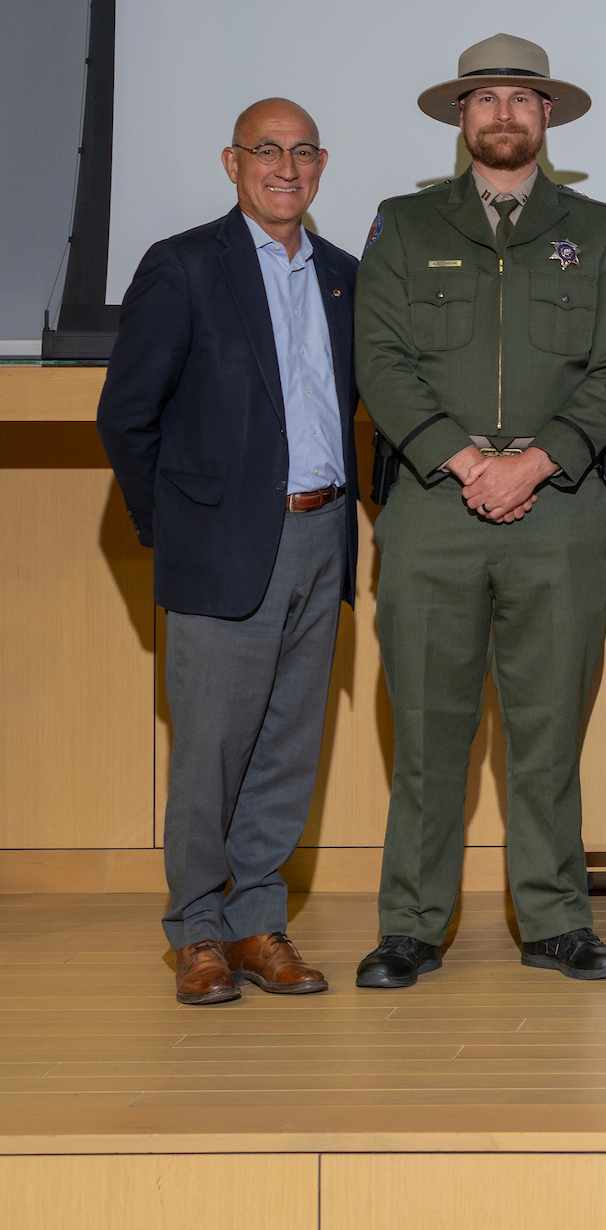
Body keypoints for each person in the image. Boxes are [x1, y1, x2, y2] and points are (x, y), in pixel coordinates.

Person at [351, 33, 606, 989]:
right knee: (430, 731)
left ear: (546, 117)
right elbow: (381, 364)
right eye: (487, 99)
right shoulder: (403, 224)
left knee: (548, 729)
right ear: (459, 116)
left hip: (558, 513)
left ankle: (555, 920)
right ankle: (412, 926)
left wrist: (538, 463)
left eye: (523, 99)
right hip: (434, 512)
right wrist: (466, 460)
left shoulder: (599, 231)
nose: (505, 114)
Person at [98, 99, 356, 1005]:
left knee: (287, 745)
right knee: (210, 749)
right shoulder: (182, 267)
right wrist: (174, 526)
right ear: (232, 162)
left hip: (323, 532)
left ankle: (256, 924)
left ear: (321, 165)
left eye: (302, 153)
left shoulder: (341, 274)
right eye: (266, 152)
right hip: (221, 544)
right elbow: (125, 417)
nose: (286, 168)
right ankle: (197, 933)